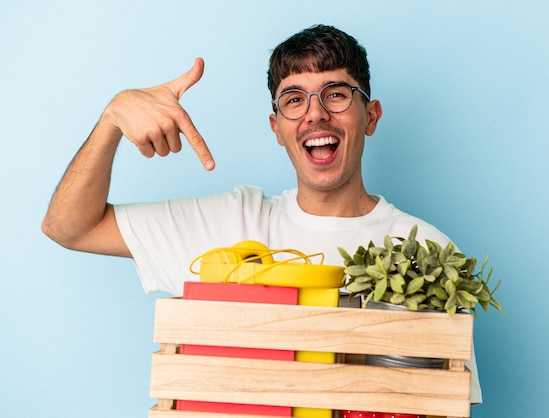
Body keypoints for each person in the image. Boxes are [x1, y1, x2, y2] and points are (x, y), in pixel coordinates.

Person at [41, 24, 482, 404]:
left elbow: (439, 398)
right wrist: (112, 119)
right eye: (294, 99)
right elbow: (69, 227)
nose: (315, 113)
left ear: (371, 116)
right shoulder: (229, 223)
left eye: (336, 94)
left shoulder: (426, 254)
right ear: (277, 129)